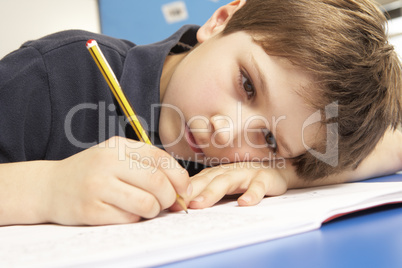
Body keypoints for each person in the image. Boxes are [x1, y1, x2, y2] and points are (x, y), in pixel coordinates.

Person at [0, 0, 401, 226]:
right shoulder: (55, 73)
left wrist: (286, 172)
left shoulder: (247, 164)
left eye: (268, 137)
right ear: (220, 20)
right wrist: (45, 189)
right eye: (247, 84)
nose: (227, 134)